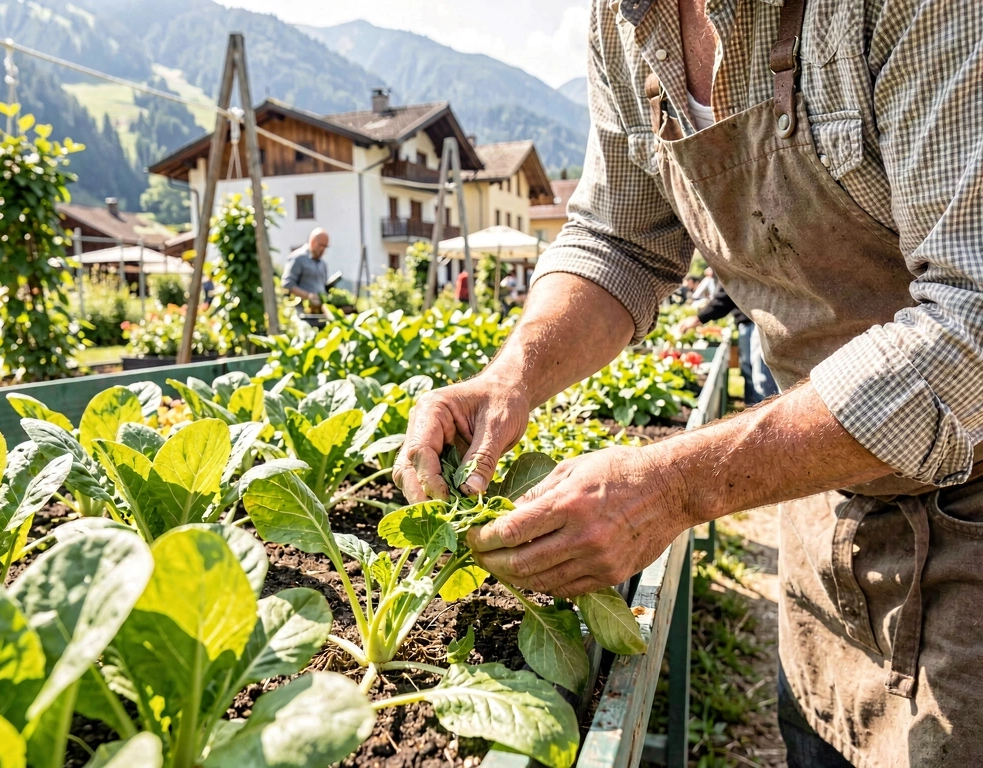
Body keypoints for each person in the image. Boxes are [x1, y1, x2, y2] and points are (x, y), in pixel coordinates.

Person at [395, 1, 983, 766]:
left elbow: (970, 329)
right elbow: (619, 239)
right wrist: (510, 378)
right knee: (817, 740)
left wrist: (676, 487)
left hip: (970, 524)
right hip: (818, 495)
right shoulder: (625, 20)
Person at [677, 283, 778, 405]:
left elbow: (726, 295)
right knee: (750, 370)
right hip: (748, 321)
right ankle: (755, 409)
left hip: (759, 319)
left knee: (761, 379)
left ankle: (769, 414)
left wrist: (700, 318)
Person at [282, 228, 329, 315]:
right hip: (301, 312)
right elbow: (287, 284)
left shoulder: (322, 264)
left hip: (318, 312)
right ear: (313, 242)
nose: (323, 249)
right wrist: (308, 296)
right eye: (321, 245)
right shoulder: (298, 258)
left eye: (325, 246)